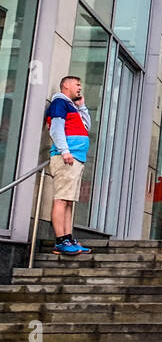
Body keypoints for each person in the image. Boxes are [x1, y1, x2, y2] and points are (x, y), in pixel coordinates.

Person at [44, 75, 92, 256]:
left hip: (75, 158)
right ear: (66, 85)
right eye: (77, 84)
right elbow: (56, 128)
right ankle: (60, 241)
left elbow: (85, 126)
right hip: (67, 158)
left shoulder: (72, 106)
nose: (80, 87)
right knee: (62, 199)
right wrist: (64, 151)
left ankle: (68, 238)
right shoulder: (59, 102)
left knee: (68, 201)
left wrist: (82, 107)